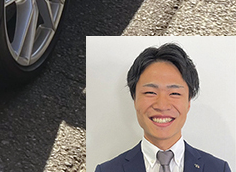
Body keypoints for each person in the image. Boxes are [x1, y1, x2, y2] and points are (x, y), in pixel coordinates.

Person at [95, 43, 231, 172]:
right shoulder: (107, 170)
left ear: (188, 102)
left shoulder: (218, 169)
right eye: (150, 92)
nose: (162, 106)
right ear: (134, 99)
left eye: (174, 93)